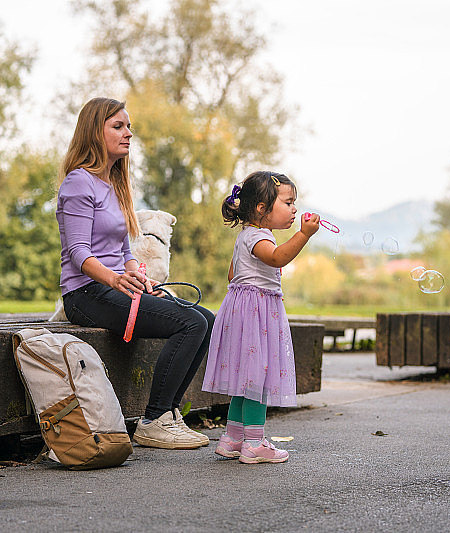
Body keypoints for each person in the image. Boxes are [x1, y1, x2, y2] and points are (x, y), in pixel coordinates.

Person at [56, 97, 215, 450]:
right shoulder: (79, 184)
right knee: (191, 324)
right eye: (118, 126)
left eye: (129, 126)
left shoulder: (114, 183)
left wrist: (138, 277)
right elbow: (78, 252)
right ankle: (154, 420)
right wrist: (114, 279)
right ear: (94, 133)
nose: (129, 133)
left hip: (116, 289)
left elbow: (124, 251)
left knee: (206, 318)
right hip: (86, 294)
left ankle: (169, 413)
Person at [201, 171, 320, 464]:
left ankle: (232, 439)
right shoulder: (260, 237)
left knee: (246, 376)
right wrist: (303, 235)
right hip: (257, 314)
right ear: (261, 207)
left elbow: (232, 274)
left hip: (241, 311)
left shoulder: (245, 235)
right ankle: (254, 443)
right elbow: (277, 258)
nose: (294, 209)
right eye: (288, 202)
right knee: (258, 377)